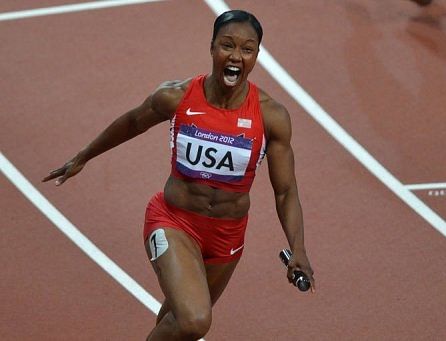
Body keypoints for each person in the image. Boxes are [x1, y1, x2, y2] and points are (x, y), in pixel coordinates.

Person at [43, 9, 315, 341]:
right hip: (174, 221)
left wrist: (297, 247)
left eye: (247, 49)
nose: (236, 56)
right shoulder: (177, 96)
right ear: (212, 47)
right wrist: (84, 155)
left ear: (257, 55)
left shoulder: (271, 116)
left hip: (227, 238)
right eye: (227, 45)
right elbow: (132, 122)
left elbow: (285, 191)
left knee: (176, 321)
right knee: (194, 320)